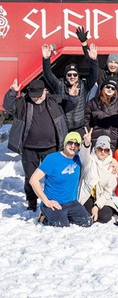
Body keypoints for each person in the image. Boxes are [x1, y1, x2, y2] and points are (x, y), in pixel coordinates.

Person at [5, 78, 75, 211]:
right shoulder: (23, 103)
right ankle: (32, 200)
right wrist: (12, 92)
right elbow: (8, 106)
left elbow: (70, 105)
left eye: (38, 96)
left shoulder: (55, 101)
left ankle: (52, 200)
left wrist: (73, 97)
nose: (36, 99)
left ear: (45, 91)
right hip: (29, 148)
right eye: (33, 96)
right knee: (30, 176)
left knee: (53, 175)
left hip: (51, 146)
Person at [28, 131, 92, 228]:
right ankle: (43, 217)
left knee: (87, 222)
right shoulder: (52, 159)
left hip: (71, 202)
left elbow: (95, 156)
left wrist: (87, 143)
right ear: (65, 143)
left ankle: (64, 216)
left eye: (76, 144)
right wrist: (46, 201)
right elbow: (33, 180)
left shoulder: (79, 158)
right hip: (53, 203)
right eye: (70, 142)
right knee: (62, 225)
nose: (73, 146)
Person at [41, 29, 98, 133]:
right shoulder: (59, 84)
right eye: (69, 74)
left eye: (75, 74)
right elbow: (47, 74)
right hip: (63, 127)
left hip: (79, 127)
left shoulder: (84, 85)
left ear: (78, 76)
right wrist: (46, 59)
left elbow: (94, 75)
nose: (72, 77)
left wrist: (94, 60)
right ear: (65, 76)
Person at [78, 130, 118, 224]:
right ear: (95, 149)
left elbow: (108, 190)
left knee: (105, 216)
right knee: (86, 214)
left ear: (109, 152)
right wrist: (87, 143)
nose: (102, 152)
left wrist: (97, 206)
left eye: (106, 150)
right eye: (100, 149)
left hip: (101, 196)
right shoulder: (89, 160)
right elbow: (83, 155)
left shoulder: (112, 166)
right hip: (87, 195)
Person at [83, 79, 118, 150]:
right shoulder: (92, 103)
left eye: (113, 88)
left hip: (113, 140)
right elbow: (86, 121)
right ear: (103, 87)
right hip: (96, 138)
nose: (110, 89)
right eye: (108, 87)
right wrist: (89, 134)